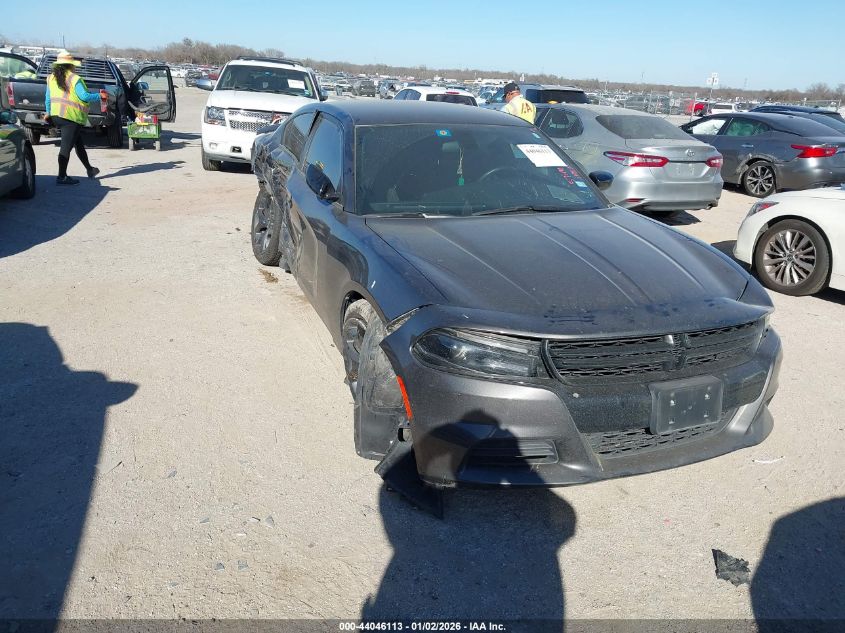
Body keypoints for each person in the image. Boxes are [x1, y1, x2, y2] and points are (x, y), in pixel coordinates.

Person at [44, 51, 107, 185]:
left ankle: (90, 169)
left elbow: (47, 99)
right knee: (65, 148)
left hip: (56, 116)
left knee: (78, 143)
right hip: (71, 118)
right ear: (70, 65)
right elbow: (84, 96)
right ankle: (62, 177)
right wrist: (99, 96)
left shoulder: (51, 78)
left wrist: (48, 113)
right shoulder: (75, 79)